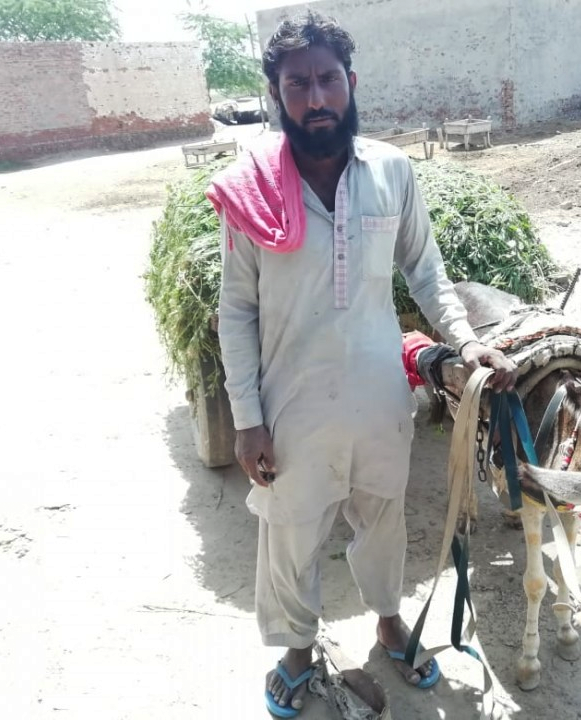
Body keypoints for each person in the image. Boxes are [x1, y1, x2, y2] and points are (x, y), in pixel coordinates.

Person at [209, 12, 517, 717]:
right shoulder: (251, 188)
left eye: (326, 81)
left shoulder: (392, 170)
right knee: (291, 529)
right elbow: (237, 312)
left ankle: (388, 619)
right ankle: (294, 646)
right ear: (276, 95)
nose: (315, 99)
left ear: (350, 83)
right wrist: (248, 420)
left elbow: (427, 271)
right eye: (297, 86)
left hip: (383, 392)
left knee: (381, 516)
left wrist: (465, 340)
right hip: (292, 402)